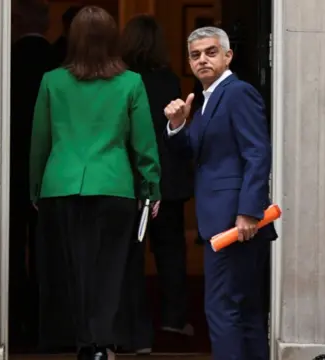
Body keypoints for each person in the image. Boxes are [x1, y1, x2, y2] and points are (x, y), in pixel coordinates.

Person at [29, 6, 161, 360]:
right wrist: (151, 188)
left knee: (72, 269)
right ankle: (102, 343)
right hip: (114, 184)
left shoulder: (52, 81)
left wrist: (35, 188)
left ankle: (83, 343)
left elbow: (39, 142)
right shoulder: (131, 82)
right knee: (111, 268)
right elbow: (144, 143)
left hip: (61, 185)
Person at [163, 27, 277, 360]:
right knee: (243, 311)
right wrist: (178, 125)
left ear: (228, 56)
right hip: (223, 220)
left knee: (223, 309)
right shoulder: (205, 99)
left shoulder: (237, 92)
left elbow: (257, 152)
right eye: (195, 55)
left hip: (234, 223)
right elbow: (196, 156)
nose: (203, 60)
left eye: (211, 52)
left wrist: (249, 212)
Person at [117, 15, 195, 354]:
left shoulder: (119, 81)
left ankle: (135, 326)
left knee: (131, 255)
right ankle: (173, 318)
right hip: (168, 178)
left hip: (131, 178)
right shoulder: (168, 81)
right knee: (171, 252)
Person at [9, 0, 55, 346]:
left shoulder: (4, 59)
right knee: (46, 251)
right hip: (51, 171)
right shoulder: (57, 64)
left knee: (11, 249)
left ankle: (14, 321)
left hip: (10, 169)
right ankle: (43, 324)